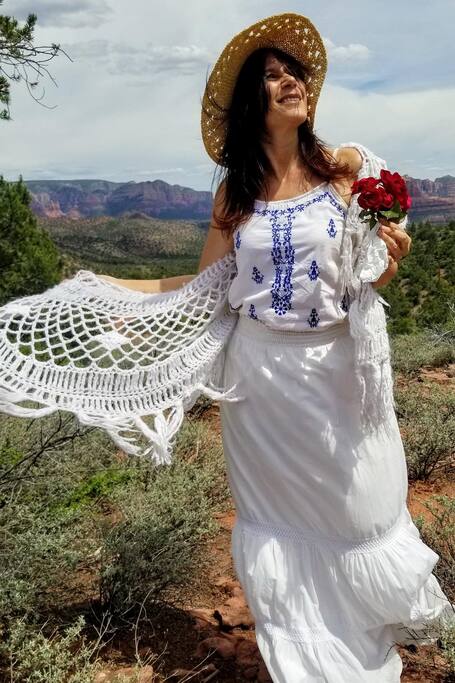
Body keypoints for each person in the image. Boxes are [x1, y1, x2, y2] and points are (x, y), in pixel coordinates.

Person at [0, 12, 453, 682]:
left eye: (293, 72)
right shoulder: (233, 194)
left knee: (361, 509)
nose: (289, 82)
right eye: (271, 76)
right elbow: (202, 286)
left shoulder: (348, 169)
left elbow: (370, 272)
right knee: (282, 526)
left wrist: (393, 257)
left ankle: (358, 647)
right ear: (251, 102)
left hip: (339, 372)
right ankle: (307, 661)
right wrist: (103, 286)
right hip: (261, 384)